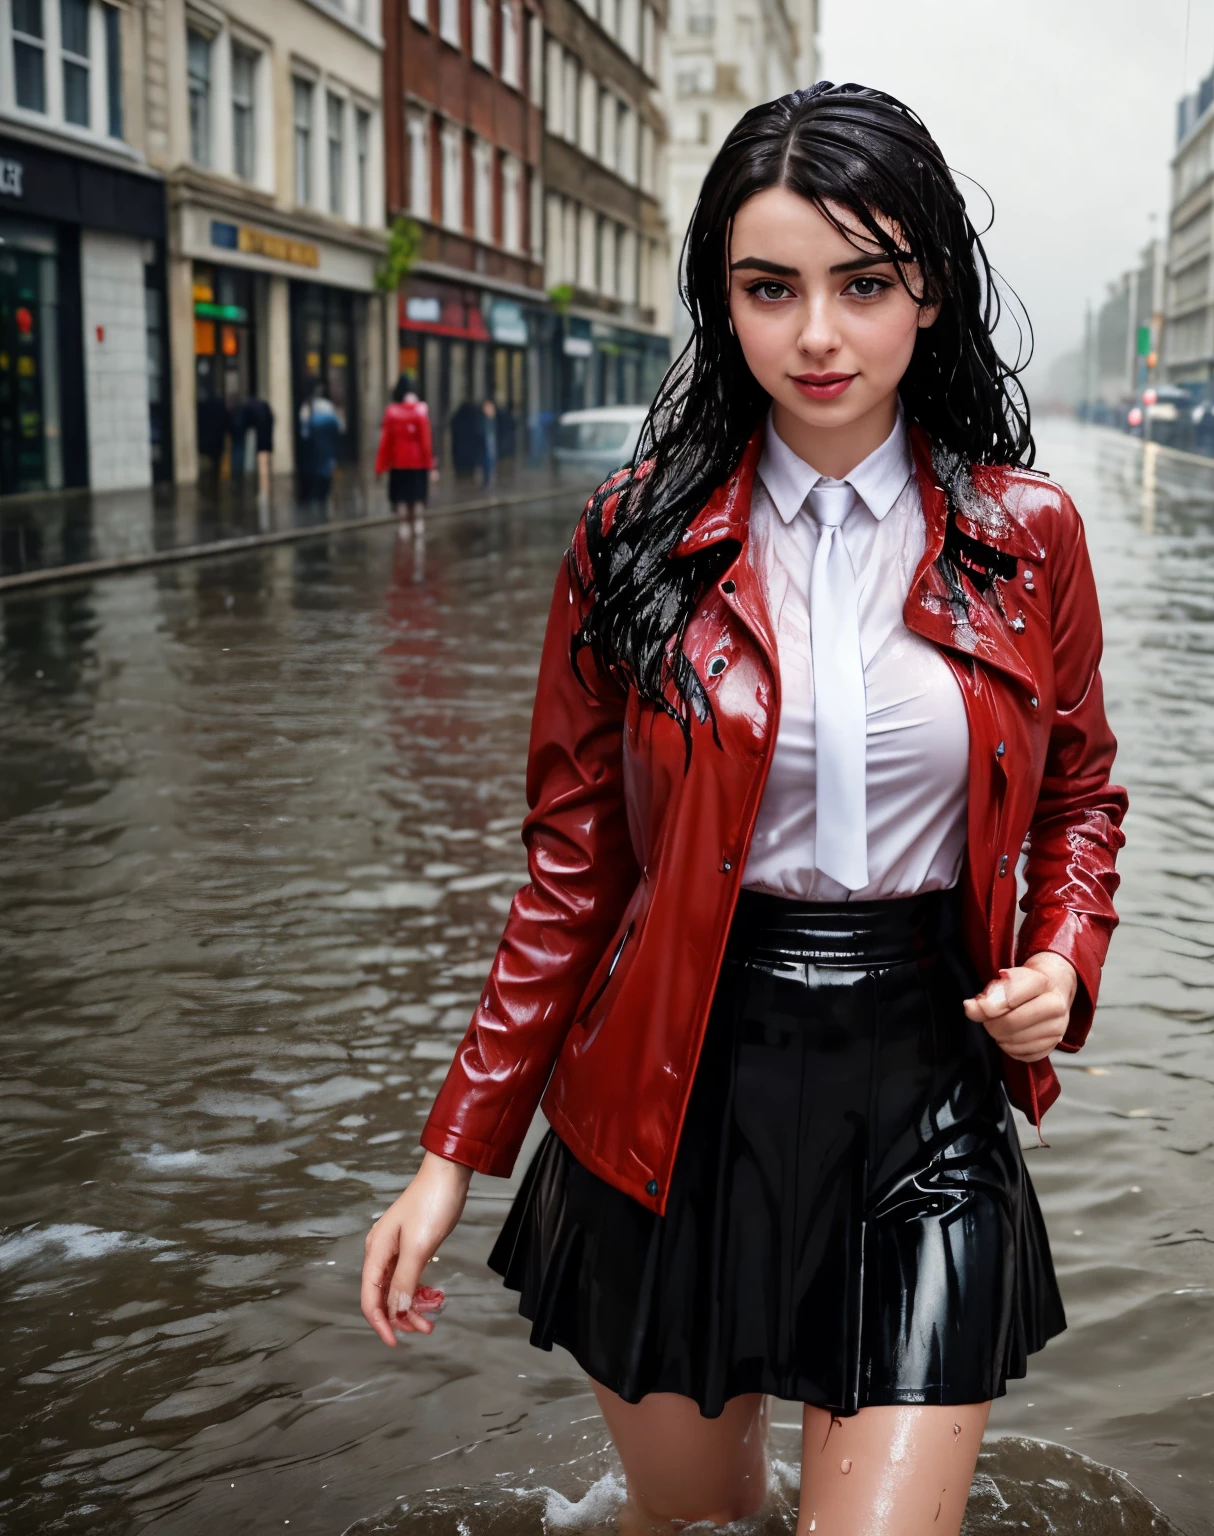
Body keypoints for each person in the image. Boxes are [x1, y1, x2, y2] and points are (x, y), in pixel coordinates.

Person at [358, 83, 1127, 1535]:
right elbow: (574, 871)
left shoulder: (1032, 536)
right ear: (725, 301)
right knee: (698, 1526)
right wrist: (453, 1151)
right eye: (771, 288)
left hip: (924, 1090)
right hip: (672, 1090)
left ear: (930, 295)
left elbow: (1079, 791)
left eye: (865, 283)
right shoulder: (635, 532)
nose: (818, 335)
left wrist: (1062, 957)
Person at [375, 376, 436, 533]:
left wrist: (380, 467)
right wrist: (431, 466)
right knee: (417, 496)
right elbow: (426, 442)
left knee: (401, 497)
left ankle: (403, 526)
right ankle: (418, 523)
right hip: (418, 462)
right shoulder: (421, 411)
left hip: (398, 462)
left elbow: (385, 442)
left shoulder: (391, 412)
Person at [298, 380, 342, 508]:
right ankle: (323, 494)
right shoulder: (327, 407)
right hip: (326, 443)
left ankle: (317, 495)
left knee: (316, 467)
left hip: (315, 443)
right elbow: (338, 427)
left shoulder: (309, 406)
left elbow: (304, 428)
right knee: (325, 468)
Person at [480, 397, 500, 487]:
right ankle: (486, 480)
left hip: (491, 443)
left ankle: (489, 479)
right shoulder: (483, 420)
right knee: (486, 462)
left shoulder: (494, 419)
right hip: (485, 445)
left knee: (492, 460)